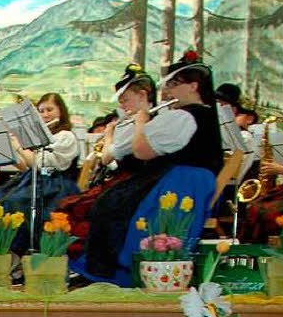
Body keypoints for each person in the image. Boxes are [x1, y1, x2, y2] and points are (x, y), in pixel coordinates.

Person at [81, 50, 223, 281]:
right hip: (191, 180)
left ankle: (122, 273)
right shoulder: (198, 115)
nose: (167, 92)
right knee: (109, 202)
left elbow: (141, 151)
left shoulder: (184, 116)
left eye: (174, 85)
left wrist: (140, 123)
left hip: (181, 183)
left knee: (111, 207)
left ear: (193, 86)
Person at [60, 65, 157, 255]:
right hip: (128, 179)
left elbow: (106, 157)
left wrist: (110, 135)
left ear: (143, 95)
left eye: (125, 100)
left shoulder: (144, 121)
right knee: (73, 205)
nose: (122, 106)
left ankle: (99, 261)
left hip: (138, 181)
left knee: (88, 208)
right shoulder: (133, 121)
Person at [0, 92, 80, 254]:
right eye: (41, 111)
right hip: (34, 180)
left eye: (50, 110)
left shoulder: (65, 136)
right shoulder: (38, 136)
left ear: (61, 111)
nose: (45, 115)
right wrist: (12, 144)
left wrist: (19, 146)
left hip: (55, 185)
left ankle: (17, 253)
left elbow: (39, 164)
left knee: (15, 203)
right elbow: (26, 166)